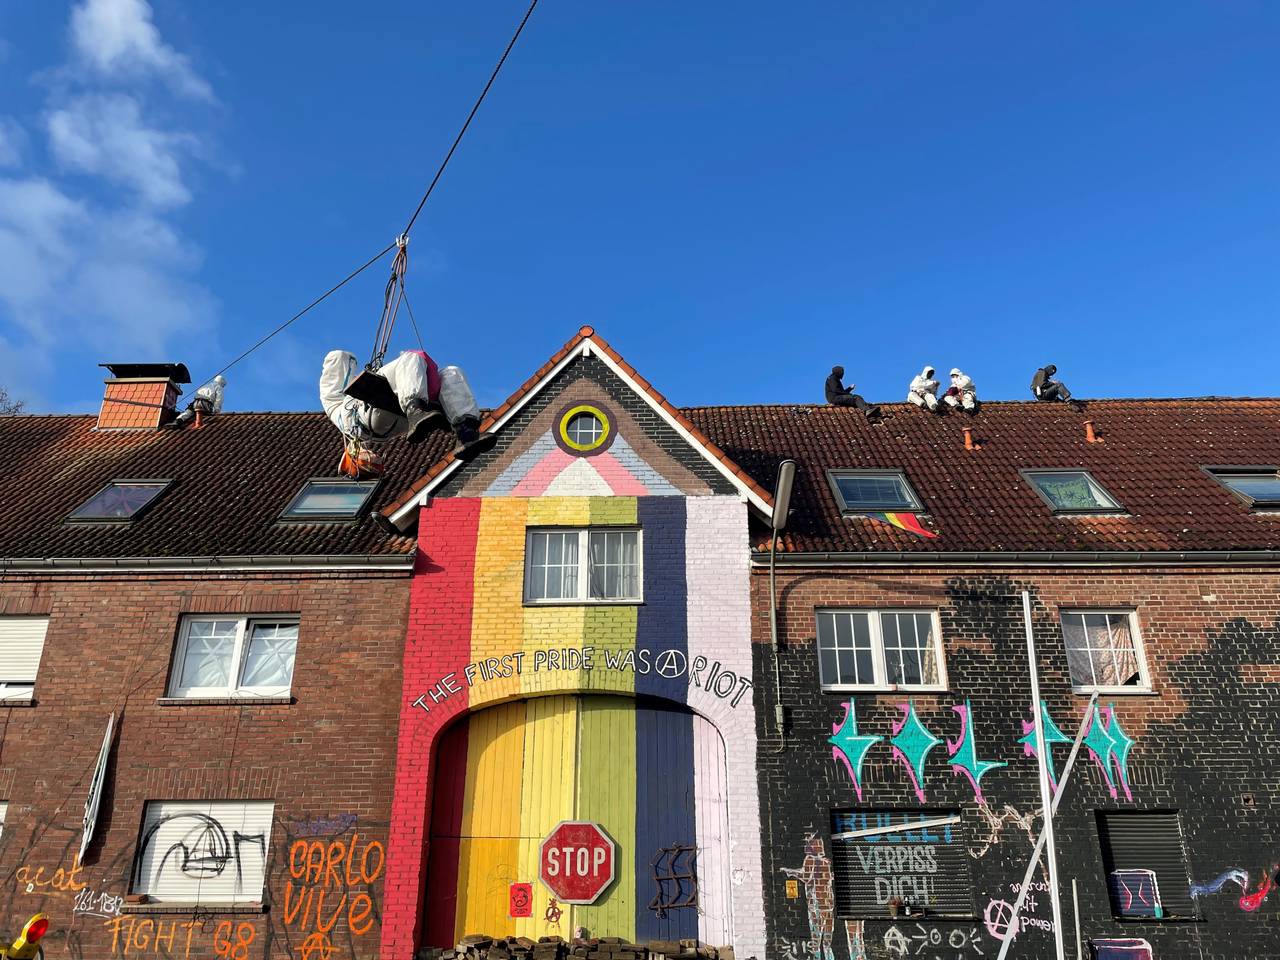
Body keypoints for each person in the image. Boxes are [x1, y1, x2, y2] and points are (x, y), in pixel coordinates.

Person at [320, 349, 482, 451]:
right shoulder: (334, 402)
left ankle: (466, 431)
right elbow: (338, 362)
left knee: (451, 372)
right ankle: (415, 409)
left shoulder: (341, 401)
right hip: (369, 416)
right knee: (410, 357)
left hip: (391, 418)